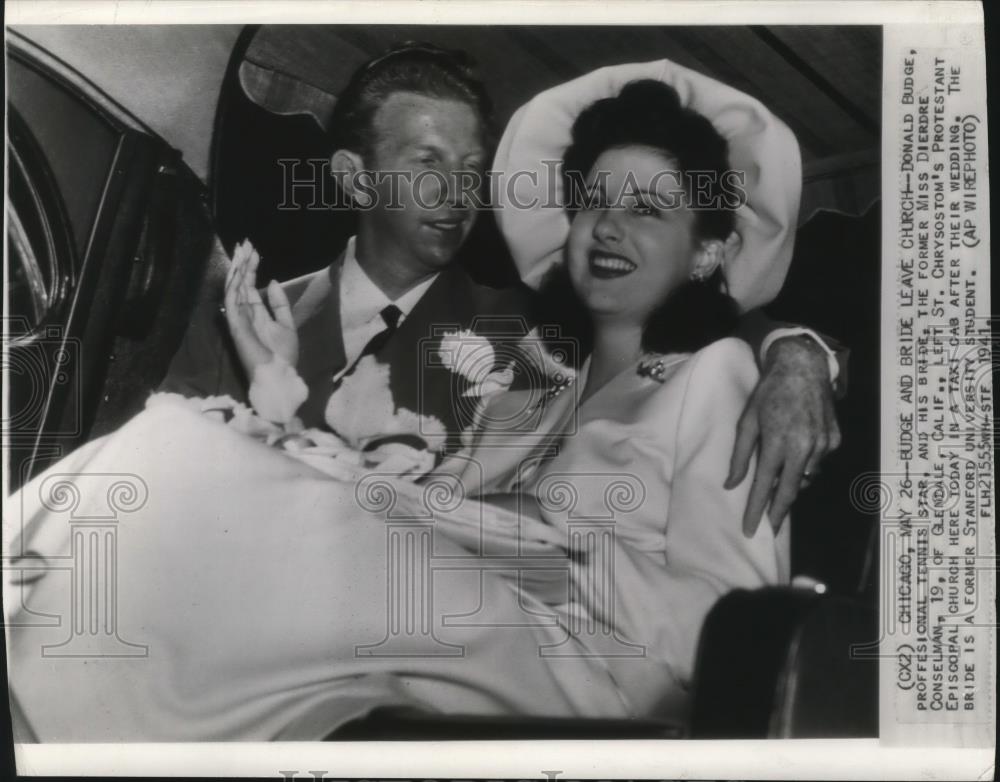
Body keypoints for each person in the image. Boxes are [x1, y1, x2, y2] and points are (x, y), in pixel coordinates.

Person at [8, 64, 793, 741]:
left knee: (188, 465)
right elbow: (433, 509)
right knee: (176, 445)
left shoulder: (722, 374)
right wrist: (280, 404)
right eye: (595, 201)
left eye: (648, 210)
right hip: (472, 621)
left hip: (584, 670)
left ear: (710, 251)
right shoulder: (542, 382)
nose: (609, 228)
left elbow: (739, 635)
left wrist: (548, 551)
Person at [161, 42, 841, 533]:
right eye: (428, 163)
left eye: (471, 169)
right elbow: (177, 484)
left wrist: (798, 354)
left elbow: (677, 317)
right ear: (354, 176)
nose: (457, 194)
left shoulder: (534, 333)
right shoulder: (241, 318)